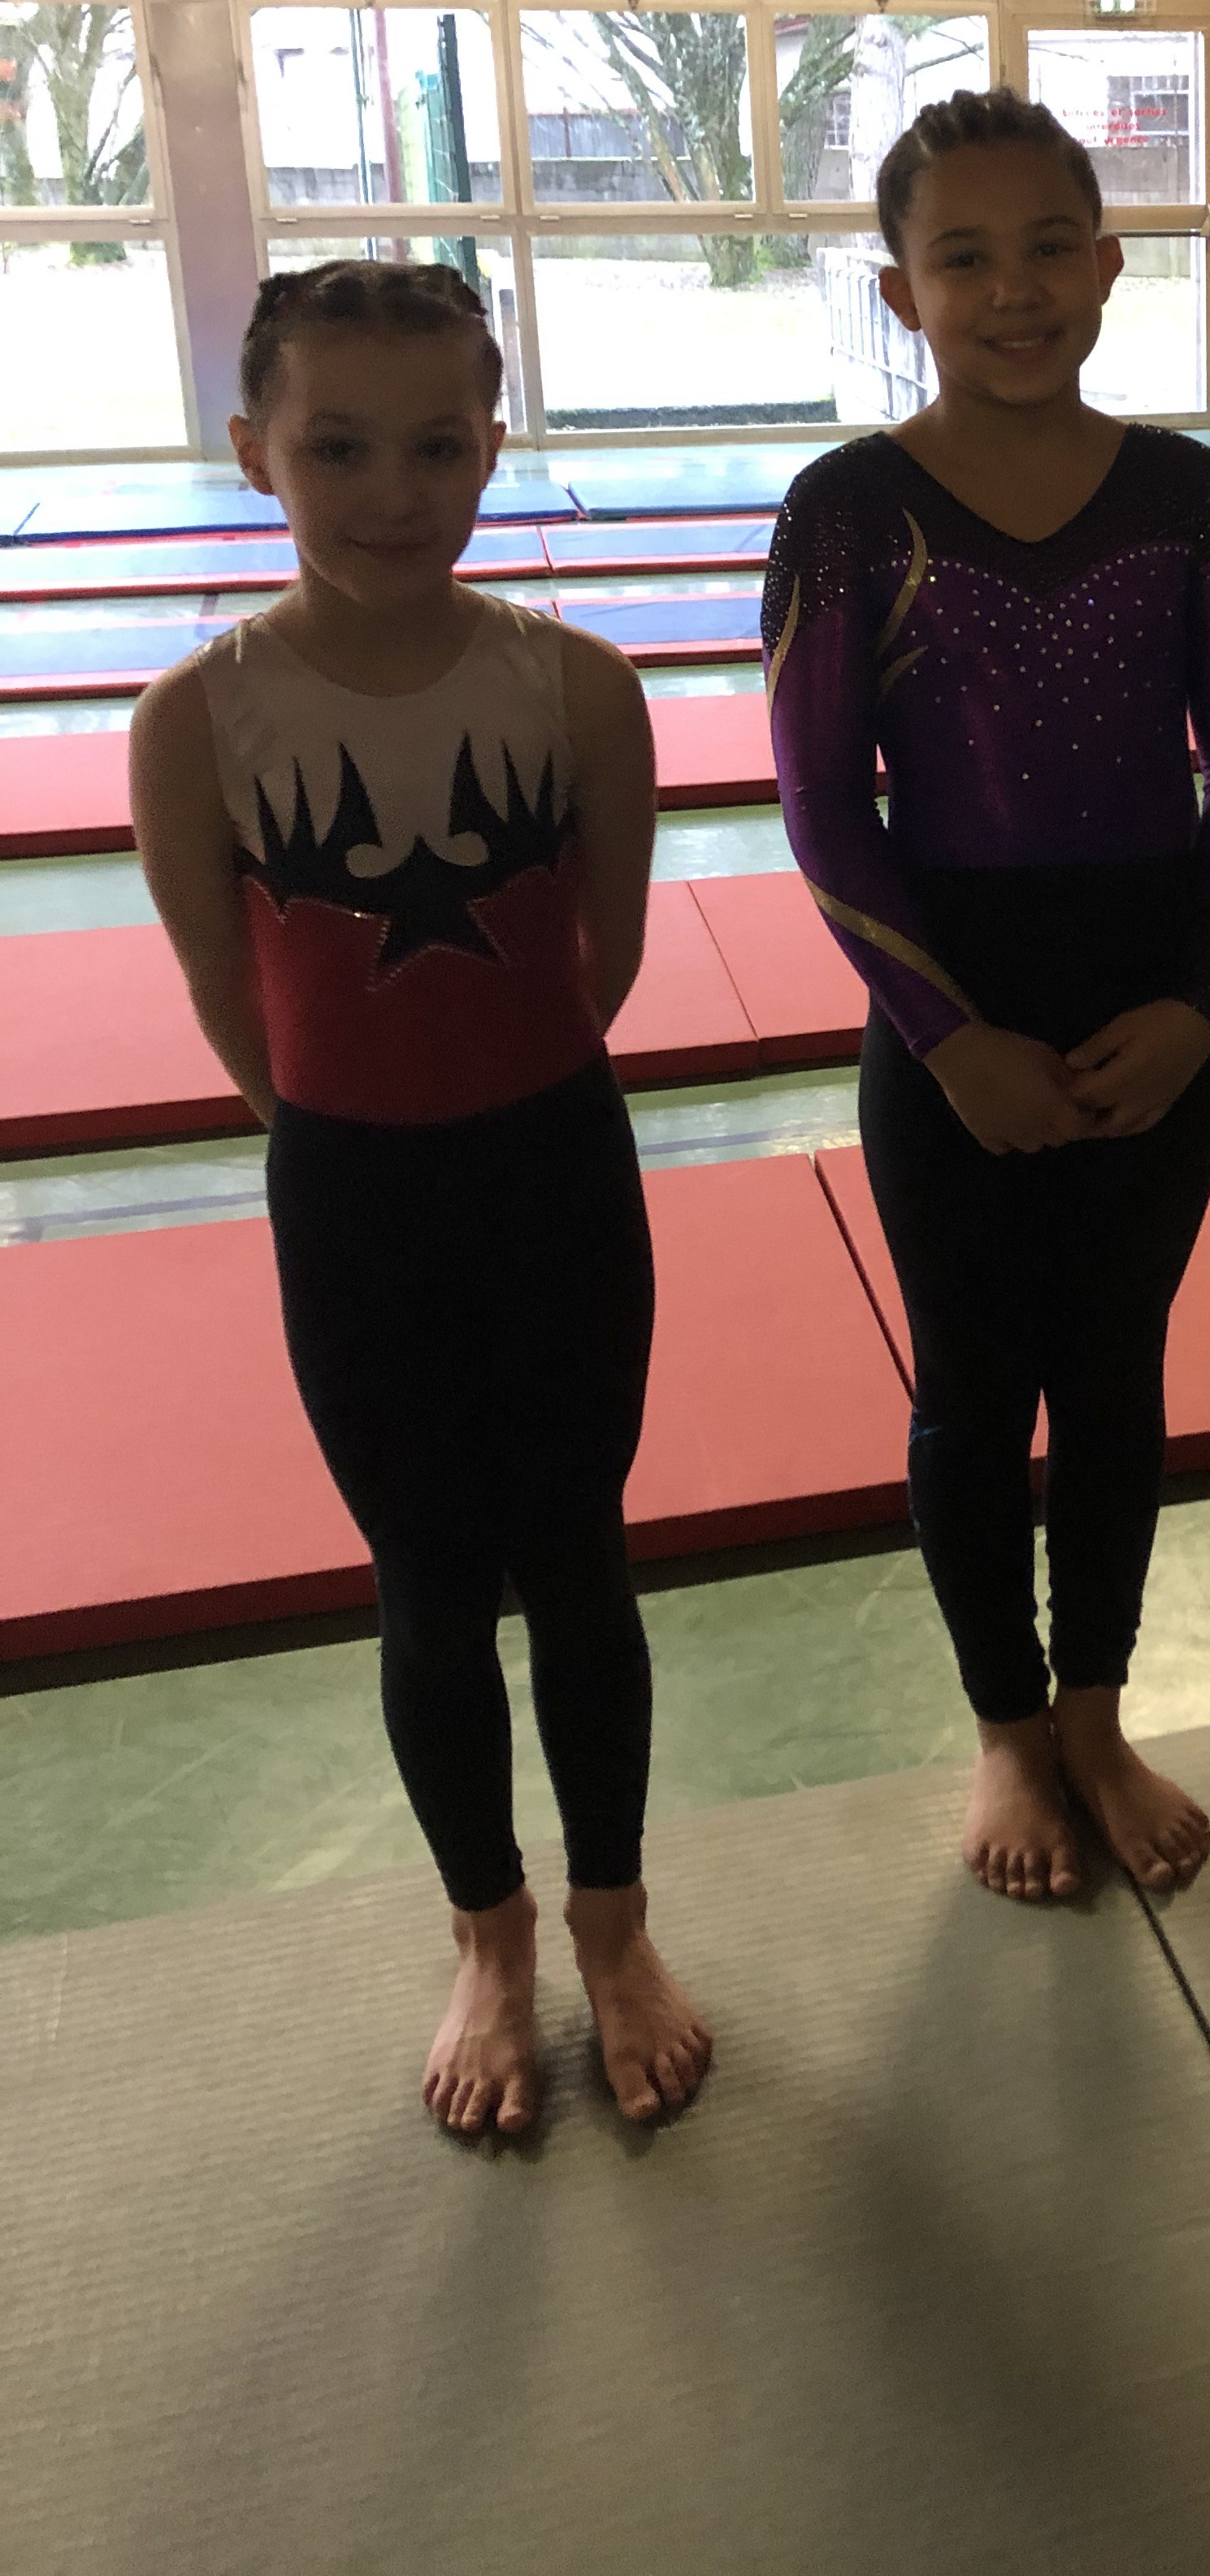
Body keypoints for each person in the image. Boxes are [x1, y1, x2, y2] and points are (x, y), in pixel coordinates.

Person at [129, 259, 710, 2137]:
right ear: (256, 451)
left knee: (581, 1559)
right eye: (340, 449)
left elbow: (603, 960)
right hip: (354, 1194)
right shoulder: (196, 718)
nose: (393, 491)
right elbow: (239, 1014)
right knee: (430, 1585)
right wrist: (365, 1130)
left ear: (493, 445)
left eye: (438, 447)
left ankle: (614, 1920)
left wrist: (484, 1099)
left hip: (553, 1171)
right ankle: (491, 1934)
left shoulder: (579, 688)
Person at [764, 89, 1210, 1903]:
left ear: (1110, 264)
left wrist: (1202, 1006)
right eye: (964, 257)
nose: (1013, 290)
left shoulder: (1189, 494)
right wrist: (948, 1037)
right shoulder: (847, 507)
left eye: (1050, 247)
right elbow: (824, 802)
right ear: (898, 289)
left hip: (1154, 995)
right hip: (952, 1010)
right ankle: (1003, 1724)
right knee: (974, 1390)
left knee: (1119, 1376)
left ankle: (1096, 1711)